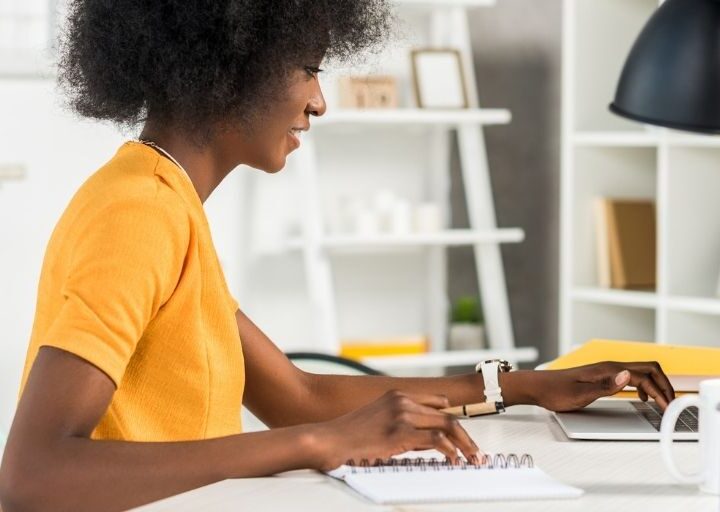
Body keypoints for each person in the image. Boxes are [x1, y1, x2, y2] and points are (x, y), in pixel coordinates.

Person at [0, 1, 675, 511]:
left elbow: (299, 395)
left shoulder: (168, 204)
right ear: (229, 63)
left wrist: (521, 386)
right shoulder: (138, 214)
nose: (319, 101)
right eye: (308, 69)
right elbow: (32, 475)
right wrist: (317, 444)